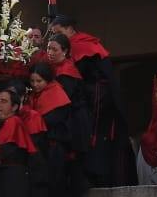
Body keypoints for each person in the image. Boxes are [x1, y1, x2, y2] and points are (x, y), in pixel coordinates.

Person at [50, 14, 128, 186]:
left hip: (97, 99)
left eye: (59, 32)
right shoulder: (84, 42)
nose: (57, 38)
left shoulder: (80, 45)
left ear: (70, 29)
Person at [43, 34, 90, 197]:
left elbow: (64, 100)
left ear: (65, 51)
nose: (50, 52)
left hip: (75, 123)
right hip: (70, 121)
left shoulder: (67, 71)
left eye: (55, 49)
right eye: (48, 48)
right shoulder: (57, 69)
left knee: (75, 164)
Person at [28, 62, 73, 197]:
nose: (35, 85)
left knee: (54, 181)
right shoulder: (34, 96)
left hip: (54, 147)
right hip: (43, 148)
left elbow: (50, 121)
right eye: (32, 81)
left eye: (39, 81)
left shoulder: (56, 94)